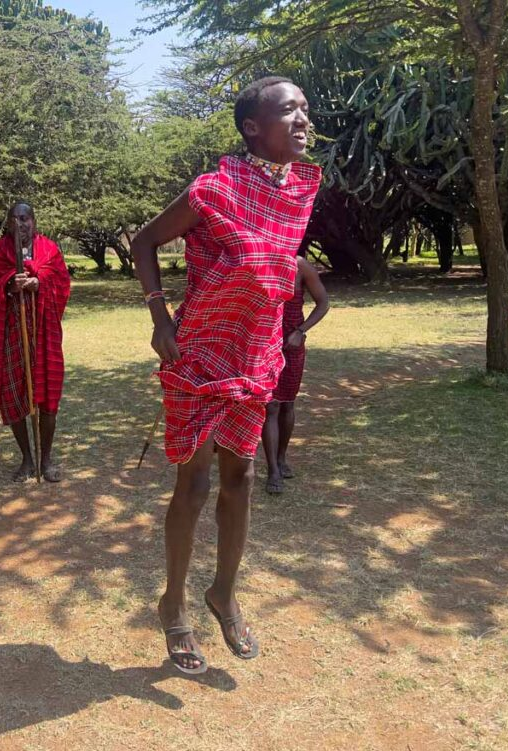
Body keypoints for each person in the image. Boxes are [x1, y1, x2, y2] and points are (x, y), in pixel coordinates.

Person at [130, 76, 321, 674]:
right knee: (194, 484)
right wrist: (160, 316)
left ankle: (224, 594)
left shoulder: (298, 191)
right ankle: (174, 605)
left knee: (241, 479)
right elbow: (144, 241)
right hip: (201, 353)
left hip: (258, 354)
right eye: (288, 110)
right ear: (251, 128)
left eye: (305, 109)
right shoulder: (215, 188)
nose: (302, 119)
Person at [0, 202, 71, 482]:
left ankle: (46, 460)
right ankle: (27, 460)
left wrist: (39, 282)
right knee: (14, 395)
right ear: (8, 223)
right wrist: (9, 284)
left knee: (49, 397)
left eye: (25, 217)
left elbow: (63, 285)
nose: (21, 223)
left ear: (34, 220)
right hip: (12, 333)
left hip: (44, 332)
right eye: (15, 219)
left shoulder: (50, 250)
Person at [263, 255, 329, 493]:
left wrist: (301, 331)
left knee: (287, 404)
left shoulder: (300, 266)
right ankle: (272, 470)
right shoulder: (257, 260)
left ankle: (281, 458)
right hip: (263, 345)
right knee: (271, 405)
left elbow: (323, 303)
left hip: (292, 345)